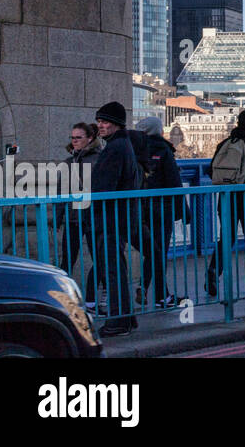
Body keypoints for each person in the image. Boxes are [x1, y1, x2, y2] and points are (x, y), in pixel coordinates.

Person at [90, 101, 140, 338]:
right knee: (116, 268)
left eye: (105, 121)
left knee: (112, 270)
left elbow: (104, 187)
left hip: (110, 218)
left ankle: (118, 320)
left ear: (117, 123)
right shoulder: (122, 144)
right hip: (118, 217)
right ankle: (126, 318)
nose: (100, 125)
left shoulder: (115, 148)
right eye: (99, 120)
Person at [206, 109, 245, 296]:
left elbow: (212, 171)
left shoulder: (225, 144)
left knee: (227, 237)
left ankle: (214, 271)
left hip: (227, 198)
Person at [135, 116, 184, 309]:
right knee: (159, 251)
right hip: (162, 208)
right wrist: (181, 210)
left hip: (142, 206)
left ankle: (147, 288)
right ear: (158, 130)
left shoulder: (136, 149)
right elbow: (174, 182)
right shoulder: (164, 149)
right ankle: (161, 296)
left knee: (152, 251)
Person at [60, 122, 102, 308]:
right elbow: (62, 192)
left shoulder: (98, 159)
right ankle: (62, 300)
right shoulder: (69, 162)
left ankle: (93, 302)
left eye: (78, 137)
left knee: (100, 259)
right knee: (67, 260)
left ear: (89, 138)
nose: (74, 141)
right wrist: (60, 215)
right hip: (73, 218)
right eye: (72, 137)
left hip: (93, 216)